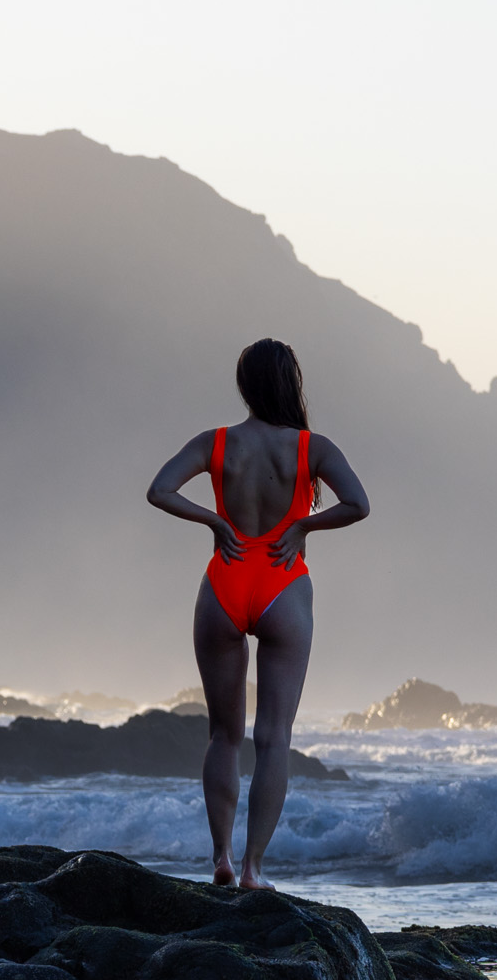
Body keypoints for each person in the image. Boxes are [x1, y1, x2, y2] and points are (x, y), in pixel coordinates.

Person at [144, 339, 371, 888]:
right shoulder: (312, 447)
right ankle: (253, 869)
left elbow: (159, 490)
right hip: (283, 585)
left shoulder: (216, 443)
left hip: (224, 581)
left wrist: (214, 522)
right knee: (274, 737)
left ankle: (219, 858)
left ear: (245, 386)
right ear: (290, 383)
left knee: (223, 734)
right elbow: (358, 504)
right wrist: (303, 526)